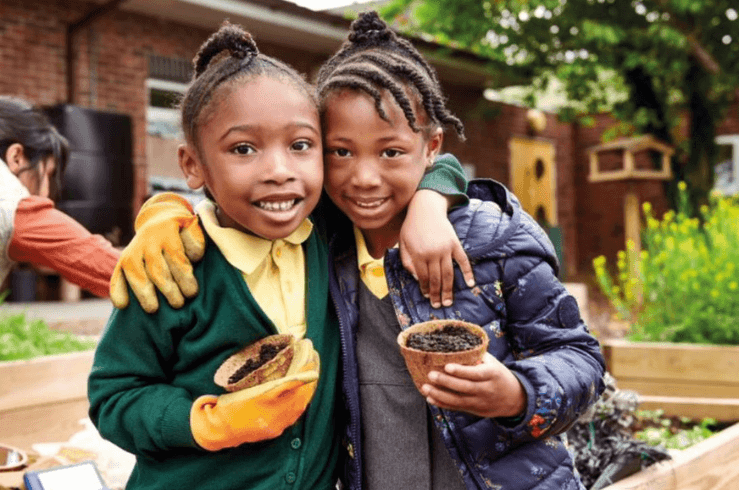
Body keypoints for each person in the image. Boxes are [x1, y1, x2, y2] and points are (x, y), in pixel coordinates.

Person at [88, 22, 472, 490]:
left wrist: (431, 203)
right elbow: (114, 398)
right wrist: (207, 422)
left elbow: (434, 159)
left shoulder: (326, 230)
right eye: (244, 149)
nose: (279, 171)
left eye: (301, 145)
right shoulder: (169, 268)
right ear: (191, 164)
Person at [317, 12, 605, 490]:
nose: (363, 177)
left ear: (431, 147)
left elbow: (579, 356)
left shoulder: (495, 240)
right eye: (340, 152)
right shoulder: (320, 247)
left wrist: (518, 394)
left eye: (390, 152)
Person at [0, 96, 116, 297]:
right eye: (47, 173)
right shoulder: (10, 202)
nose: (45, 193)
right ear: (16, 157)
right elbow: (112, 267)